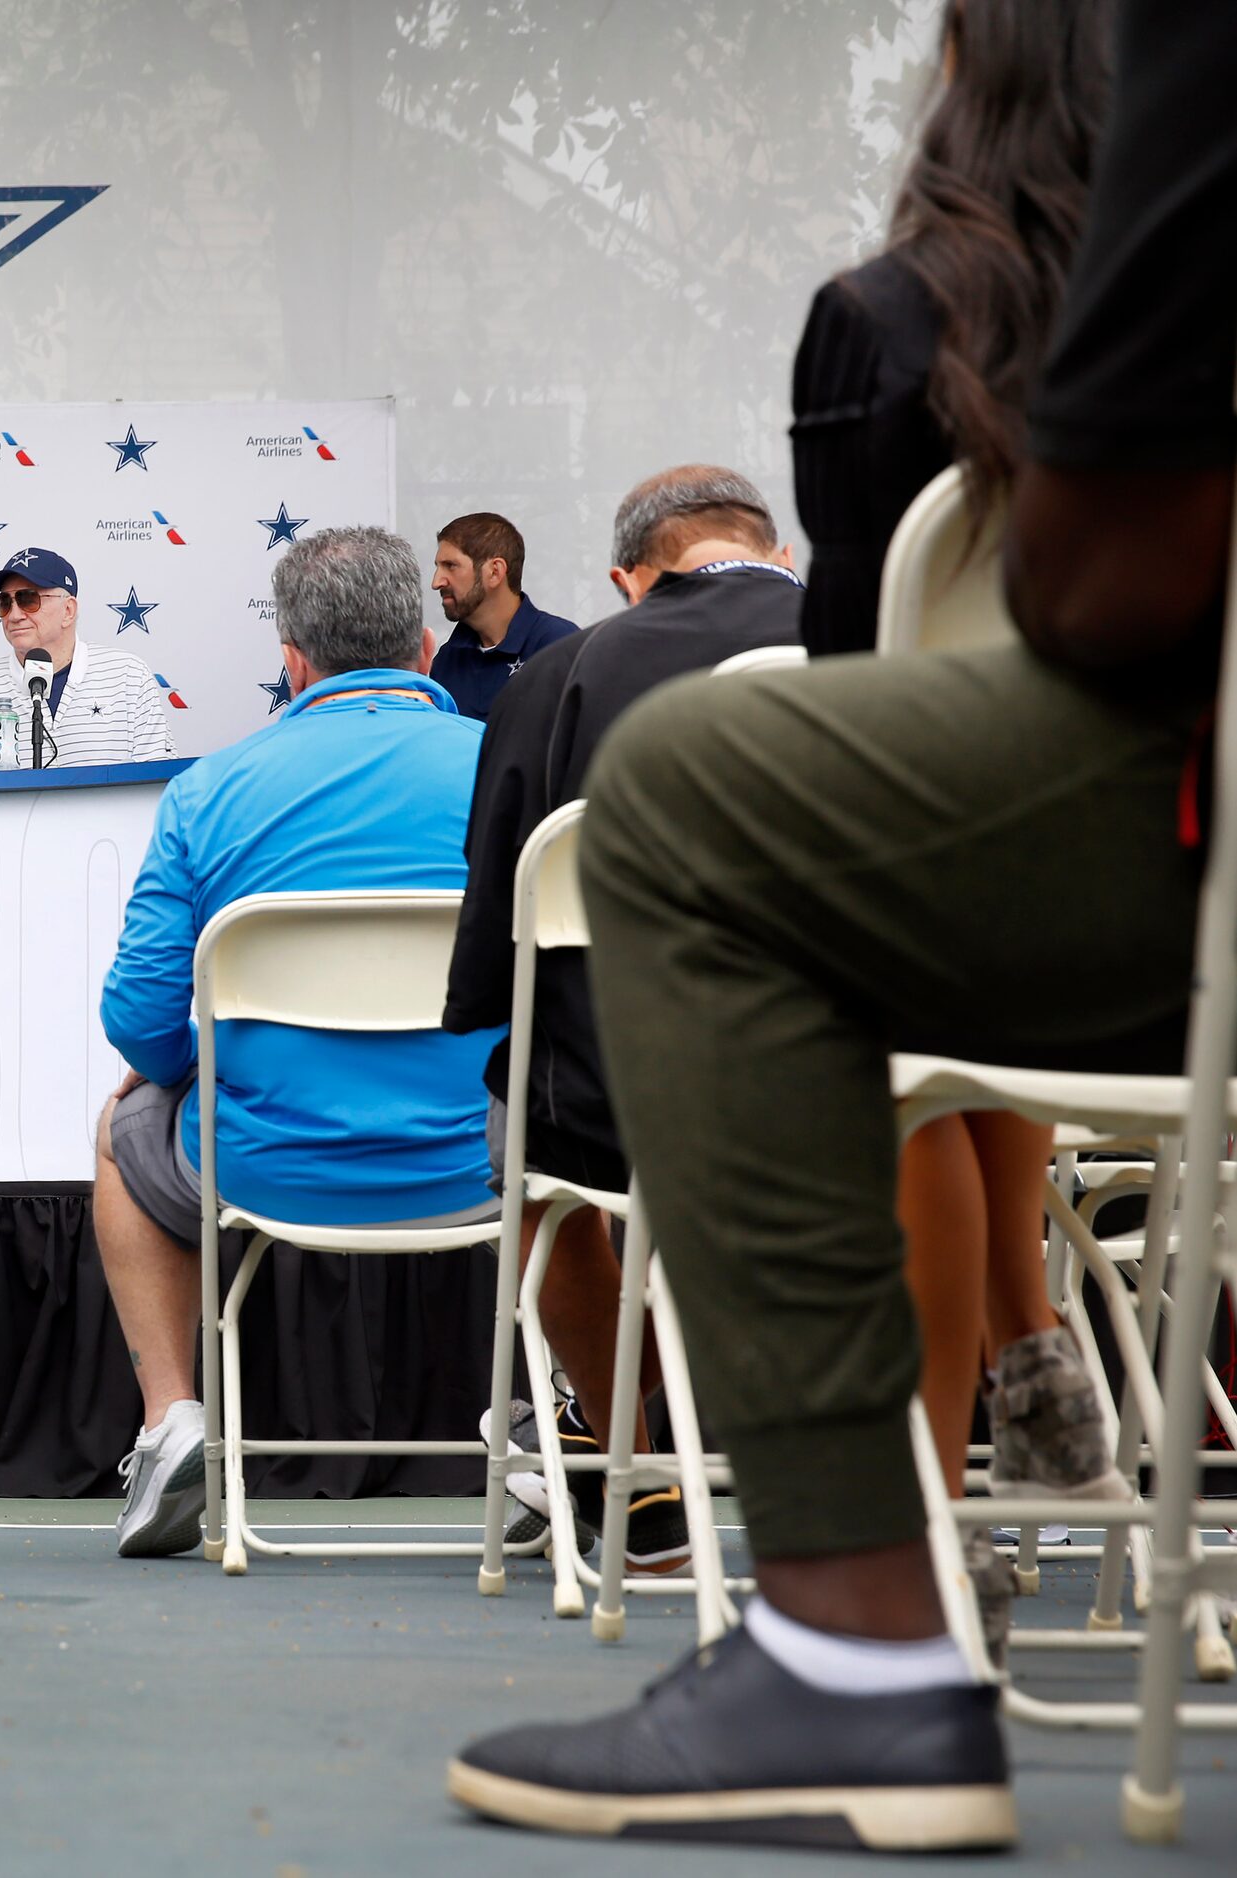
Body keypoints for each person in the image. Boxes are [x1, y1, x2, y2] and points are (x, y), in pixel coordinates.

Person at [449, 0, 1225, 1849]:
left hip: (1127, 865)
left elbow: (1060, 597)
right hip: (1112, 1010)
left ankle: (862, 1621)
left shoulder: (897, 321)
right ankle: (1034, 1334)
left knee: (712, 821)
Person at [787, 0, 1124, 1645]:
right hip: (1180, 928)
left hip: (955, 897)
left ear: (953, 85)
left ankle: (919, 1548)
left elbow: (866, 681)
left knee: (854, 923)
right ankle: (1030, 1323)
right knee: (998, 896)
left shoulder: (881, 322)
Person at [92, 527, 495, 1558]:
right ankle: (555, 1419)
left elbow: (137, 1023)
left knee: (122, 1121)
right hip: (485, 1167)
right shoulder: (514, 770)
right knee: (578, 1109)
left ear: (292, 660)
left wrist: (201, 1082)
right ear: (420, 647)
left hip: (261, 1167)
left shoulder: (209, 790)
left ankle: (170, 1419)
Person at [443, 466, 806, 1582]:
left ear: (628, 581)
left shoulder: (558, 675)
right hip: (856, 1088)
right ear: (773, 553)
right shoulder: (883, 644)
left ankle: (634, 1470)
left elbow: (501, 926)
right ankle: (918, 1492)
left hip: (628, 1097)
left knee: (535, 1149)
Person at [0, 548, 174, 770]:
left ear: (68, 610)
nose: (15, 615)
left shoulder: (127, 676)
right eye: (5, 603)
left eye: (29, 599)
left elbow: (158, 783)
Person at [425, 512, 580, 721]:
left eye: (451, 566)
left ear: (495, 572)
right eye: (438, 567)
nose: (437, 582)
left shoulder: (558, 646)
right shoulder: (448, 660)